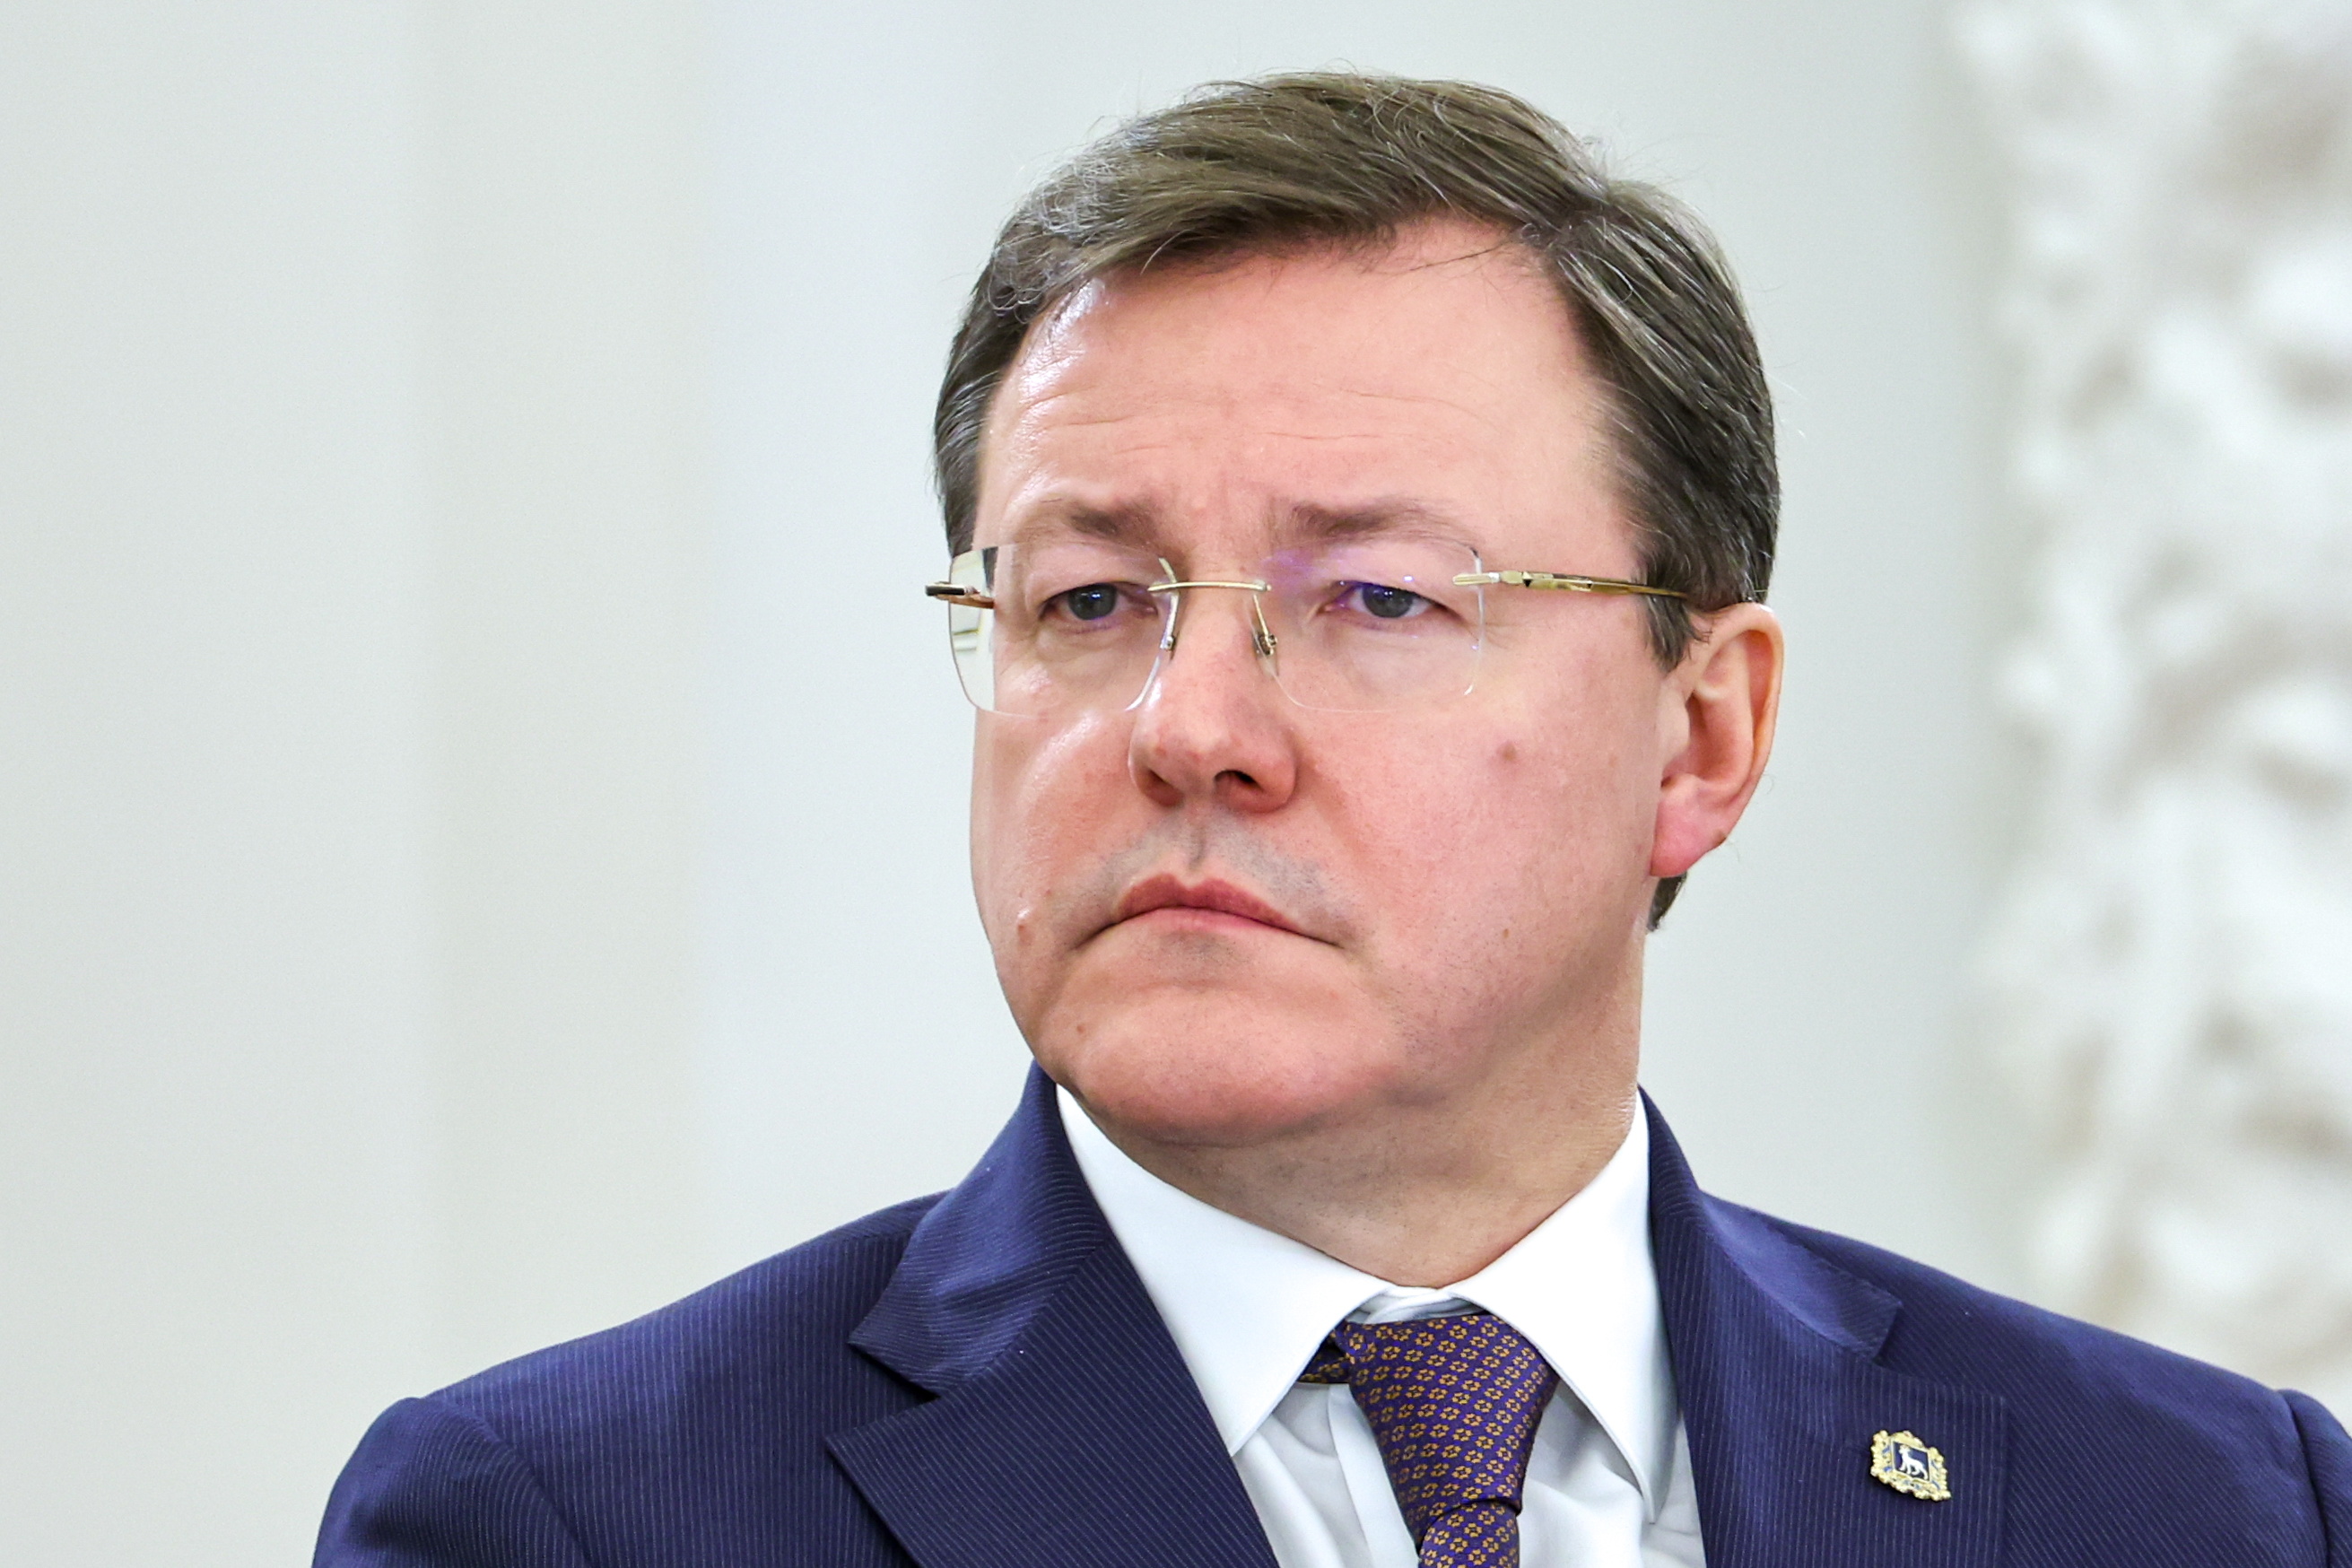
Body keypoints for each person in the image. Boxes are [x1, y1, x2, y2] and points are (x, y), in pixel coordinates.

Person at [314, 73, 2352, 1568]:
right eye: (1087, 601)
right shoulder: (571, 1518)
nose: (1192, 728)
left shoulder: (2207, 1509)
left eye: (1376, 599)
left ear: (1702, 735)